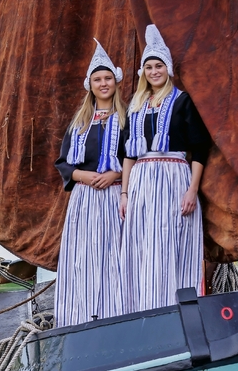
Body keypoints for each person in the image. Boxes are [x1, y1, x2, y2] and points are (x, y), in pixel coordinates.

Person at [120, 24, 211, 313]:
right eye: (149, 67)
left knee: (170, 243)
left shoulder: (183, 101)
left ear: (168, 69)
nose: (154, 71)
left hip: (173, 177)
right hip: (141, 180)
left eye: (159, 65)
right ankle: (141, 309)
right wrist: (124, 193)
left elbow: (200, 147)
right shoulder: (135, 106)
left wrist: (192, 190)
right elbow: (128, 154)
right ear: (143, 72)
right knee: (142, 245)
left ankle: (176, 310)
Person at [53, 40, 128, 327]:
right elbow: (63, 163)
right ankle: (80, 315)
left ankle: (113, 316)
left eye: (107, 77)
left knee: (112, 256)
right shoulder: (80, 122)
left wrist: (115, 175)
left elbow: (134, 157)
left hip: (112, 197)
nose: (103, 83)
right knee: (82, 257)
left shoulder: (126, 119)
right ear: (90, 85)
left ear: (115, 81)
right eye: (98, 79)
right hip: (84, 200)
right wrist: (83, 176)